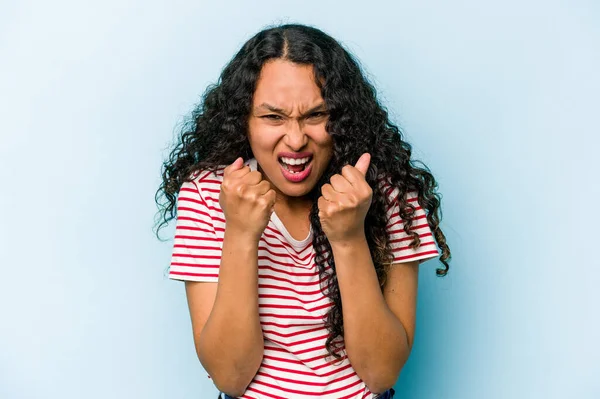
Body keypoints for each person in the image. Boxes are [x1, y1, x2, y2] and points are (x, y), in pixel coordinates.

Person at [155, 23, 451, 399]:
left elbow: (381, 373)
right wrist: (242, 233)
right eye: (273, 117)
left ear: (342, 118)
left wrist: (347, 238)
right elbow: (230, 376)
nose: (296, 140)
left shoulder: (390, 193)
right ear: (242, 120)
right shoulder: (208, 192)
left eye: (315, 115)